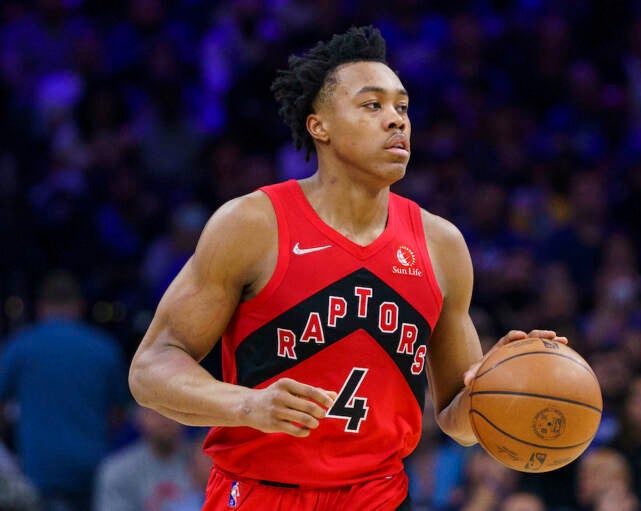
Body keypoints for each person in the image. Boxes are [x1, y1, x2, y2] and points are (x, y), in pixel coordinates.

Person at [128, 25, 565, 511]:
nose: (396, 121)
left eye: (402, 107)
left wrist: (494, 383)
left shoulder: (442, 245)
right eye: (372, 105)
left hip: (378, 495)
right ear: (320, 126)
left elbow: (456, 424)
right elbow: (151, 369)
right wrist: (246, 405)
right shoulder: (253, 224)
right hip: (259, 492)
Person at [0, 270, 130, 511]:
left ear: (40, 307)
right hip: (92, 470)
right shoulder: (104, 348)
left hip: (37, 471)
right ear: (79, 306)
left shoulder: (21, 345)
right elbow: (119, 414)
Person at [93, 407, 197, 511]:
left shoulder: (203, 463)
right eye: (157, 413)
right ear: (140, 417)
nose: (165, 419)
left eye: (172, 411)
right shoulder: (117, 471)